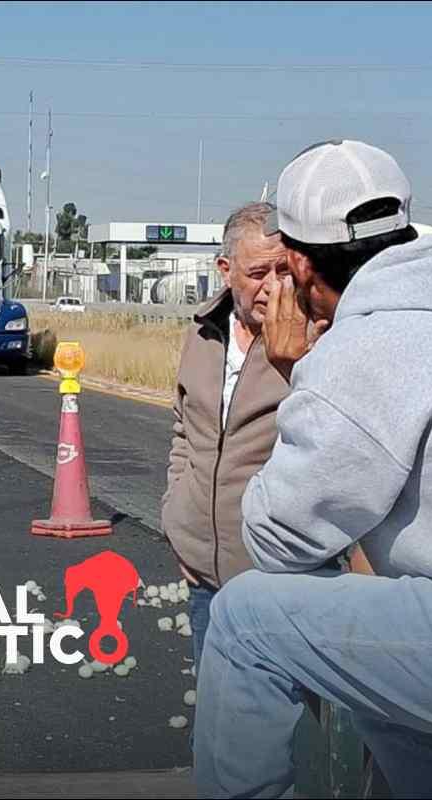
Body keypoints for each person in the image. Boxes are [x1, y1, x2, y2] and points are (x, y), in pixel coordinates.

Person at [193, 139, 432, 797]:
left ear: (297, 267)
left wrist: (298, 372)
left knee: (245, 620)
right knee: (372, 647)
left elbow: (279, 541)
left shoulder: (366, 349)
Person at [161, 202, 289, 676]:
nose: (273, 286)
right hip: (202, 574)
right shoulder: (202, 334)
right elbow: (184, 429)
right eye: (258, 272)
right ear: (225, 269)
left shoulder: (313, 341)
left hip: (276, 580)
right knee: (214, 728)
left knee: (278, 736)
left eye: (284, 269)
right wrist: (177, 519)